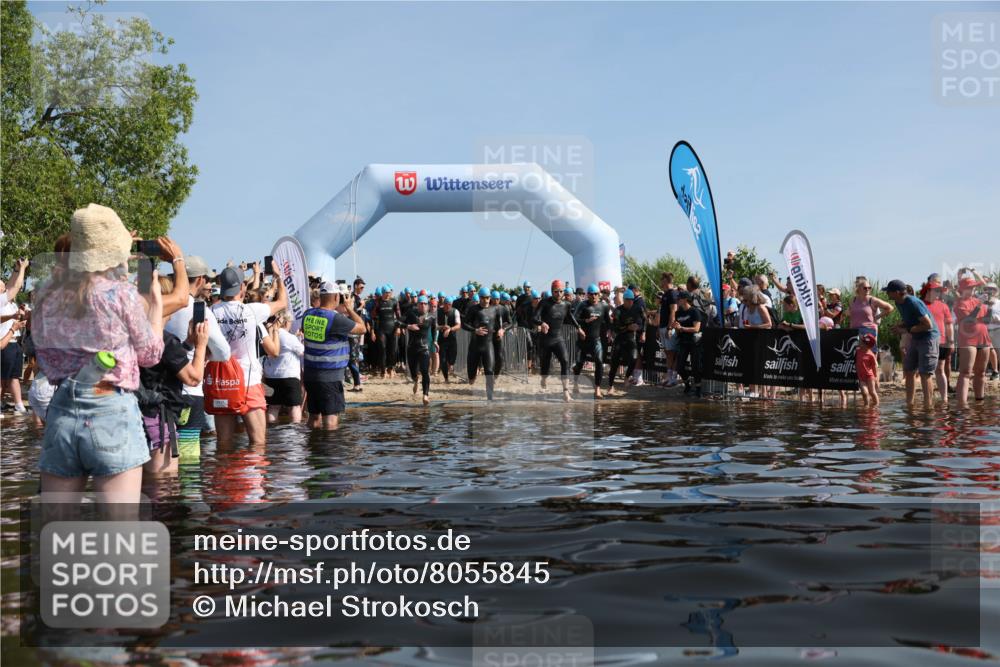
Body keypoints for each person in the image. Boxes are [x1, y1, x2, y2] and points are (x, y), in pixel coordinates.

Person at [32, 204, 164, 502]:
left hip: (63, 410)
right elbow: (151, 355)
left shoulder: (48, 294)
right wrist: (154, 306)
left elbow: (47, 362)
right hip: (111, 410)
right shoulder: (120, 293)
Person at [140, 274, 210, 474]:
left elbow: (160, 366)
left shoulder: (137, 333)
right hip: (158, 421)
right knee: (164, 486)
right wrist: (201, 345)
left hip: (135, 417)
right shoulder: (165, 340)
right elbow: (193, 377)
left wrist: (187, 343)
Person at [211, 261, 288, 444]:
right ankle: (252, 473)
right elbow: (283, 302)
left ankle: (225, 473)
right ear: (242, 287)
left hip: (222, 383)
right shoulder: (252, 311)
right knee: (258, 442)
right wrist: (277, 276)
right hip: (248, 383)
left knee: (224, 444)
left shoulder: (210, 312)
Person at [163, 254, 231, 459]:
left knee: (163, 452)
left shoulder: (162, 306)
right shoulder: (199, 311)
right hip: (188, 390)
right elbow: (224, 353)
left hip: (159, 391)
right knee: (189, 456)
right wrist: (203, 350)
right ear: (200, 279)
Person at [301, 281, 366, 429]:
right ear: (336, 297)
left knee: (313, 416)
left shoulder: (307, 315)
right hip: (330, 376)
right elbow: (362, 328)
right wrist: (350, 309)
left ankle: (313, 448)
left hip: (311, 375)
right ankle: (330, 450)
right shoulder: (336, 319)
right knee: (330, 420)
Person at [885, 278, 939, 409]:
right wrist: (900, 325)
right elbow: (911, 320)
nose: (887, 294)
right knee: (909, 370)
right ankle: (910, 404)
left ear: (897, 292)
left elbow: (928, 325)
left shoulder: (913, 302)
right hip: (916, 338)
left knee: (925, 374)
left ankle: (928, 407)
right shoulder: (898, 302)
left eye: (889, 292)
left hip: (928, 338)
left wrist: (905, 330)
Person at [533, 280, 581, 401]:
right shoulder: (544, 303)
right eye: (556, 291)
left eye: (561, 291)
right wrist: (542, 323)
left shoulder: (566, 304)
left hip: (558, 338)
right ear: (552, 291)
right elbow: (534, 318)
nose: (559, 294)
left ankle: (566, 392)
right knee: (546, 366)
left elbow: (570, 317)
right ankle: (543, 379)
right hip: (545, 340)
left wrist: (579, 328)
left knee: (565, 361)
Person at [952, 273, 991, 407]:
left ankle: (979, 401)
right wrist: (980, 304)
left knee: (981, 372)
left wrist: (989, 306)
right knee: (965, 372)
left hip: (984, 338)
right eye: (969, 287)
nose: (973, 289)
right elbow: (969, 320)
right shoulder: (959, 303)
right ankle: (962, 405)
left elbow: (986, 320)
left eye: (973, 287)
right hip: (968, 340)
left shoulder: (977, 300)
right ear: (962, 289)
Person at [262, 310, 305, 423]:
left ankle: (273, 431)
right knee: (294, 406)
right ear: (286, 322)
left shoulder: (268, 335)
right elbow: (302, 351)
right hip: (289, 376)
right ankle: (295, 431)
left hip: (271, 376)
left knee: (273, 406)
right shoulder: (288, 337)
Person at [572, 284, 611, 399]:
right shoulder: (583, 305)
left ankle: (597, 389)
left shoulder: (603, 307)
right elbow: (574, 319)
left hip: (596, 339)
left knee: (599, 361)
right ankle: (575, 383)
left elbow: (608, 321)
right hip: (583, 339)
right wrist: (585, 321)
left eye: (596, 294)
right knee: (579, 364)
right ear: (587, 295)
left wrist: (610, 331)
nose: (593, 296)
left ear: (599, 295)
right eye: (591, 294)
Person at [0, 258, 29, 413]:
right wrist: (23, 268)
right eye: (2, 286)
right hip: (4, 342)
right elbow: (16, 286)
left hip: (13, 343)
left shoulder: (3, 301)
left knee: (13, 376)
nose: (5, 287)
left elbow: (11, 284)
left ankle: (19, 406)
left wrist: (17, 269)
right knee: (2, 378)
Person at [921, 280, 953, 404]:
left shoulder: (943, 305)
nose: (939, 293)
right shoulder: (921, 304)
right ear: (928, 291)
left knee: (940, 370)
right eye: (937, 290)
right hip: (925, 341)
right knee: (926, 372)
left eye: (940, 291)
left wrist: (951, 341)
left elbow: (949, 324)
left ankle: (944, 399)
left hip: (942, 341)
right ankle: (928, 399)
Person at [607, 289, 642, 394]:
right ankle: (610, 385)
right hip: (620, 339)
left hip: (630, 339)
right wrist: (628, 327)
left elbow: (641, 322)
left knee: (634, 358)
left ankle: (626, 377)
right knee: (614, 362)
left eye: (632, 300)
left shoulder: (636, 309)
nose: (631, 302)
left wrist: (639, 327)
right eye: (628, 300)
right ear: (625, 300)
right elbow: (616, 328)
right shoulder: (618, 311)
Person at [673, 290, 706, 397]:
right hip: (683, 341)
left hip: (694, 341)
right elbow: (678, 329)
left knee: (695, 366)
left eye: (679, 299)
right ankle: (687, 384)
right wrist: (676, 328)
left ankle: (698, 388)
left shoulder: (694, 312)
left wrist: (681, 328)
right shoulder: (678, 313)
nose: (677, 300)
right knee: (679, 366)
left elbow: (696, 328)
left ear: (685, 300)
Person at [405, 295, 437, 405]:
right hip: (412, 348)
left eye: (425, 304)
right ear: (417, 305)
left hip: (424, 348)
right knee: (414, 373)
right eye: (420, 303)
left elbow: (433, 329)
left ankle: (425, 395)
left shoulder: (431, 317)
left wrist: (435, 341)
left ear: (427, 305)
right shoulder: (411, 314)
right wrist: (409, 326)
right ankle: (415, 380)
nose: (423, 306)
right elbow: (397, 322)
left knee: (425, 371)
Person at [849, 277, 894, 341]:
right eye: (865, 288)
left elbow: (890, 308)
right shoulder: (853, 300)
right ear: (858, 289)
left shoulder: (872, 300)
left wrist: (877, 317)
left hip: (868, 330)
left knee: (869, 351)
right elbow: (851, 316)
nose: (867, 289)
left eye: (869, 288)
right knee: (855, 350)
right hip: (854, 331)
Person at [657, 272, 679, 387]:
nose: (660, 281)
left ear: (666, 280)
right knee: (667, 353)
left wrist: (670, 328)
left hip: (668, 327)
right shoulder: (665, 294)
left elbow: (673, 311)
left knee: (672, 353)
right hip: (662, 326)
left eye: (662, 279)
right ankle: (668, 376)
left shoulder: (673, 294)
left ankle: (673, 378)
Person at [437, 296, 461, 383]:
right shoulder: (438, 311)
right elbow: (434, 326)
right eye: (446, 304)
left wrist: (450, 329)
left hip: (452, 338)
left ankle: (451, 365)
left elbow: (458, 325)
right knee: (443, 360)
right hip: (442, 339)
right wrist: (442, 327)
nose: (447, 306)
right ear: (443, 304)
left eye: (449, 304)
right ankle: (446, 378)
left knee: (452, 358)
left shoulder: (455, 311)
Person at [856, 332, 879, 407]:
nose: (860, 342)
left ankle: (876, 404)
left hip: (870, 376)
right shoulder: (857, 351)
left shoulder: (871, 355)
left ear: (867, 345)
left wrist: (875, 378)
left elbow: (874, 367)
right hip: (861, 377)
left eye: (862, 342)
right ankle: (866, 405)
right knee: (864, 392)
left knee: (872, 392)